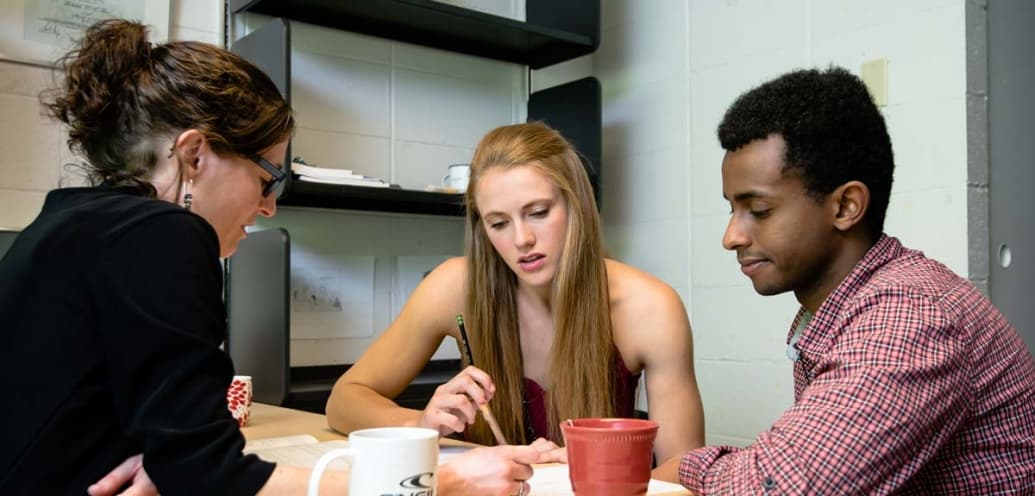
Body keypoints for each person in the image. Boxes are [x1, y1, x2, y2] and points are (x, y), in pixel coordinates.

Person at [0, 19, 539, 495]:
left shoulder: (65, 224)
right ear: (193, 154)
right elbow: (208, 475)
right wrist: (434, 482)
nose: (268, 206)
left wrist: (170, 460)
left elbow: (168, 451)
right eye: (266, 177)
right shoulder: (163, 234)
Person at [671, 67, 1035, 494]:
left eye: (760, 210)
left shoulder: (909, 315)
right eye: (732, 210)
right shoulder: (848, 307)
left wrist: (681, 467)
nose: (731, 236)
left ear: (845, 206)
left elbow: (781, 487)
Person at [326, 121, 705, 476]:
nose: (521, 239)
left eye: (538, 213)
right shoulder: (453, 286)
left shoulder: (650, 307)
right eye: (499, 223)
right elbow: (344, 400)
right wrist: (420, 424)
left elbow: (685, 466)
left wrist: (603, 471)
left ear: (577, 206)